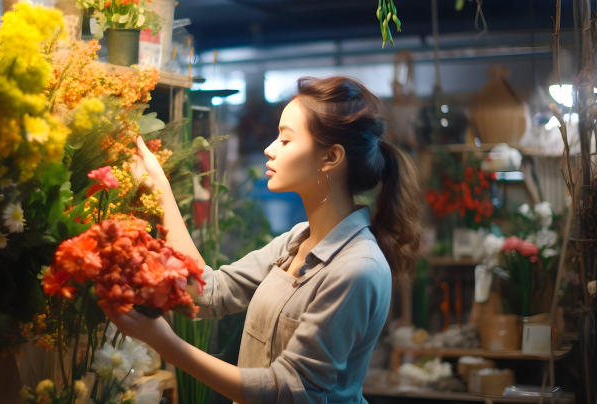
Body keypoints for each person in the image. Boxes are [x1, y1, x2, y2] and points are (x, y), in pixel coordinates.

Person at [105, 76, 423, 404]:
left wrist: (169, 345)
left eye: (285, 141)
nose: (269, 149)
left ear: (331, 158)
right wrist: (159, 189)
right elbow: (207, 291)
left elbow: (286, 390)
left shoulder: (357, 268)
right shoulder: (295, 241)